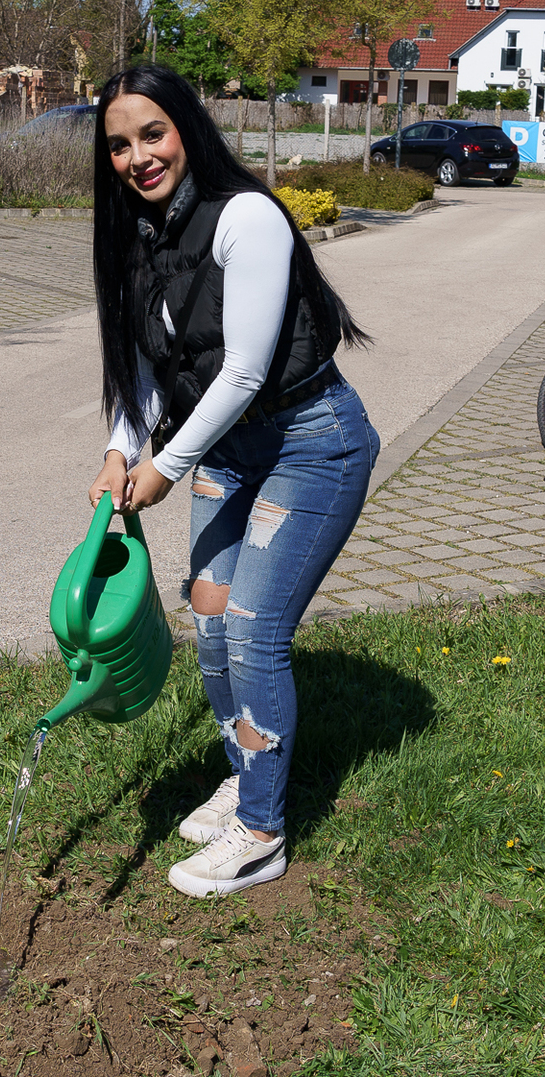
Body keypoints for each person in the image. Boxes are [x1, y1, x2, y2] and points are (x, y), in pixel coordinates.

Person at [86, 63, 378, 898]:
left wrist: (164, 467)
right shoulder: (137, 235)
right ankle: (244, 773)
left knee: (252, 631)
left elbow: (245, 370)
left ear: (187, 127)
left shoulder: (246, 217)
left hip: (311, 444)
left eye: (152, 134)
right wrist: (119, 449)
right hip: (226, 452)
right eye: (119, 145)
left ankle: (262, 833)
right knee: (211, 622)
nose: (138, 157)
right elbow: (151, 372)